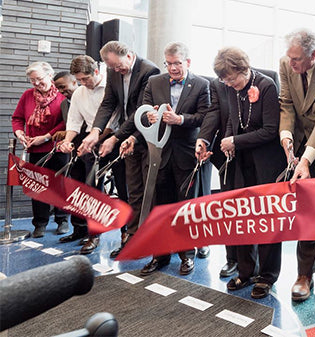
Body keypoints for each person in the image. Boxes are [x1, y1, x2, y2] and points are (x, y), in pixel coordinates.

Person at [214, 47, 286, 299]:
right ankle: (246, 271)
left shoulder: (266, 86)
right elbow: (234, 120)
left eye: (232, 78)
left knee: (266, 218)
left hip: (266, 163)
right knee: (242, 216)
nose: (229, 83)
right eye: (224, 80)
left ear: (243, 69)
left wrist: (236, 140)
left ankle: (267, 275)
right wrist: (227, 140)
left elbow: (269, 130)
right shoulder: (229, 88)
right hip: (241, 162)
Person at [80, 41, 160, 259]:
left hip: (144, 137)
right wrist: (96, 131)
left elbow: (139, 112)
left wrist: (115, 137)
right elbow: (108, 102)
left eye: (119, 66)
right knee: (132, 190)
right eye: (112, 68)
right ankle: (133, 238)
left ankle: (150, 240)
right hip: (126, 136)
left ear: (130, 56)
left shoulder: (149, 71)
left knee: (146, 192)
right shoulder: (113, 70)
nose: (116, 71)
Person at [137, 42, 210, 276]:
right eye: (168, 64)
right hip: (159, 152)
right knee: (161, 206)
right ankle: (159, 256)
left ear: (188, 62)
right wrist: (150, 115)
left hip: (186, 153)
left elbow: (205, 117)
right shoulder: (154, 82)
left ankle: (186, 256)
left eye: (177, 63)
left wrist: (180, 119)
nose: (173, 68)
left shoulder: (201, 84)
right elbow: (144, 109)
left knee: (185, 207)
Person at [279, 28, 315, 302]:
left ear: (313, 56)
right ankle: (304, 274)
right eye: (290, 58)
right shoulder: (286, 62)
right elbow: (287, 104)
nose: (292, 64)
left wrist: (306, 158)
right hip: (300, 144)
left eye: (297, 60)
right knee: (308, 212)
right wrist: (285, 135)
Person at [57, 55, 121, 254]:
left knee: (99, 190)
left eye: (85, 79)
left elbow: (113, 120)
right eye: (79, 80)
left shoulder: (111, 87)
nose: (83, 83)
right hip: (87, 140)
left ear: (95, 72)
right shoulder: (78, 94)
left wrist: (96, 139)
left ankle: (96, 235)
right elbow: (74, 122)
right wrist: (67, 141)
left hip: (112, 139)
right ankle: (81, 230)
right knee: (80, 186)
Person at [12, 62, 69, 238]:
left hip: (57, 148)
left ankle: (62, 220)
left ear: (49, 75)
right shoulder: (27, 96)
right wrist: (20, 133)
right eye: (32, 80)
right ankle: (40, 223)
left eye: (39, 79)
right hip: (35, 149)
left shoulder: (61, 95)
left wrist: (45, 136)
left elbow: (65, 122)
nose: (36, 83)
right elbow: (17, 118)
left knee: (60, 185)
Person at [195, 75, 237, 276]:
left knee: (251, 210)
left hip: (254, 155)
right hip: (226, 155)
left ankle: (254, 265)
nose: (225, 79)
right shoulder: (217, 84)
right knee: (229, 209)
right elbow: (213, 114)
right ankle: (232, 259)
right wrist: (203, 139)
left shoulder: (265, 81)